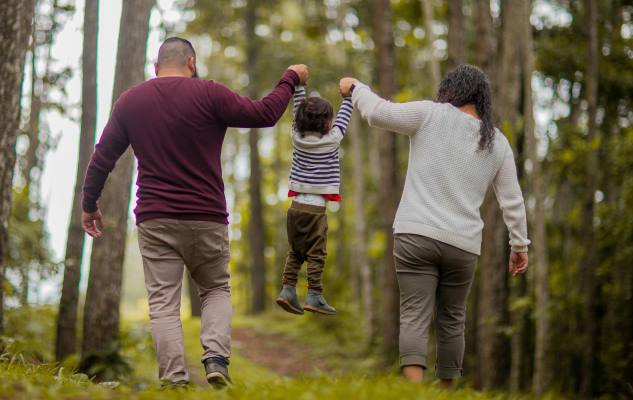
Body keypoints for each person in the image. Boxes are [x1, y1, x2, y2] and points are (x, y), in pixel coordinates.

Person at [80, 36, 308, 388]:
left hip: (155, 218)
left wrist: (89, 204)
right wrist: (290, 78)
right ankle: (216, 359)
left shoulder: (131, 101)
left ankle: (174, 380)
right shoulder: (209, 93)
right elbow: (264, 114)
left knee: (163, 304)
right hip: (206, 216)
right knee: (216, 288)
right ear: (192, 62)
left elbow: (102, 157)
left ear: (156, 68)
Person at [339, 65, 530, 387]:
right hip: (463, 245)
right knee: (453, 321)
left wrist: (356, 87)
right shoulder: (497, 143)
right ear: (482, 99)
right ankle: (446, 392)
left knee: (414, 314)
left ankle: (415, 391)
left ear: (450, 90)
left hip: (416, 235)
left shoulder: (429, 114)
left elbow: (377, 113)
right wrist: (520, 246)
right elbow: (512, 200)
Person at [275, 81, 354, 316]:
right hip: (316, 211)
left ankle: (287, 289)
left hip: (295, 208)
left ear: (299, 121)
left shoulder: (296, 138)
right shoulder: (333, 139)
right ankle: (314, 295)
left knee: (295, 251)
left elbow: (297, 108)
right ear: (328, 124)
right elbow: (344, 117)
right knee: (316, 254)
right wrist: (348, 97)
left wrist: (299, 89)